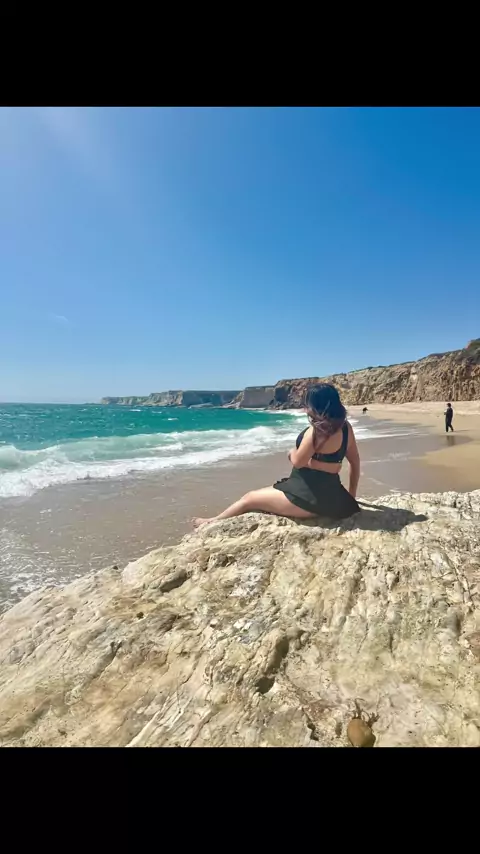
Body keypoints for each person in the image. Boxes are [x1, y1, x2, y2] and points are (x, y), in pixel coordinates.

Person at [193, 383, 361, 528]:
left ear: (317, 406)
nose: (306, 408)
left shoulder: (316, 432)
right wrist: (351, 496)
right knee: (262, 494)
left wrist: (291, 452)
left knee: (248, 499)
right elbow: (355, 461)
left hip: (308, 499)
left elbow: (298, 462)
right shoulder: (346, 428)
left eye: (308, 404)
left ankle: (211, 522)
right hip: (334, 498)